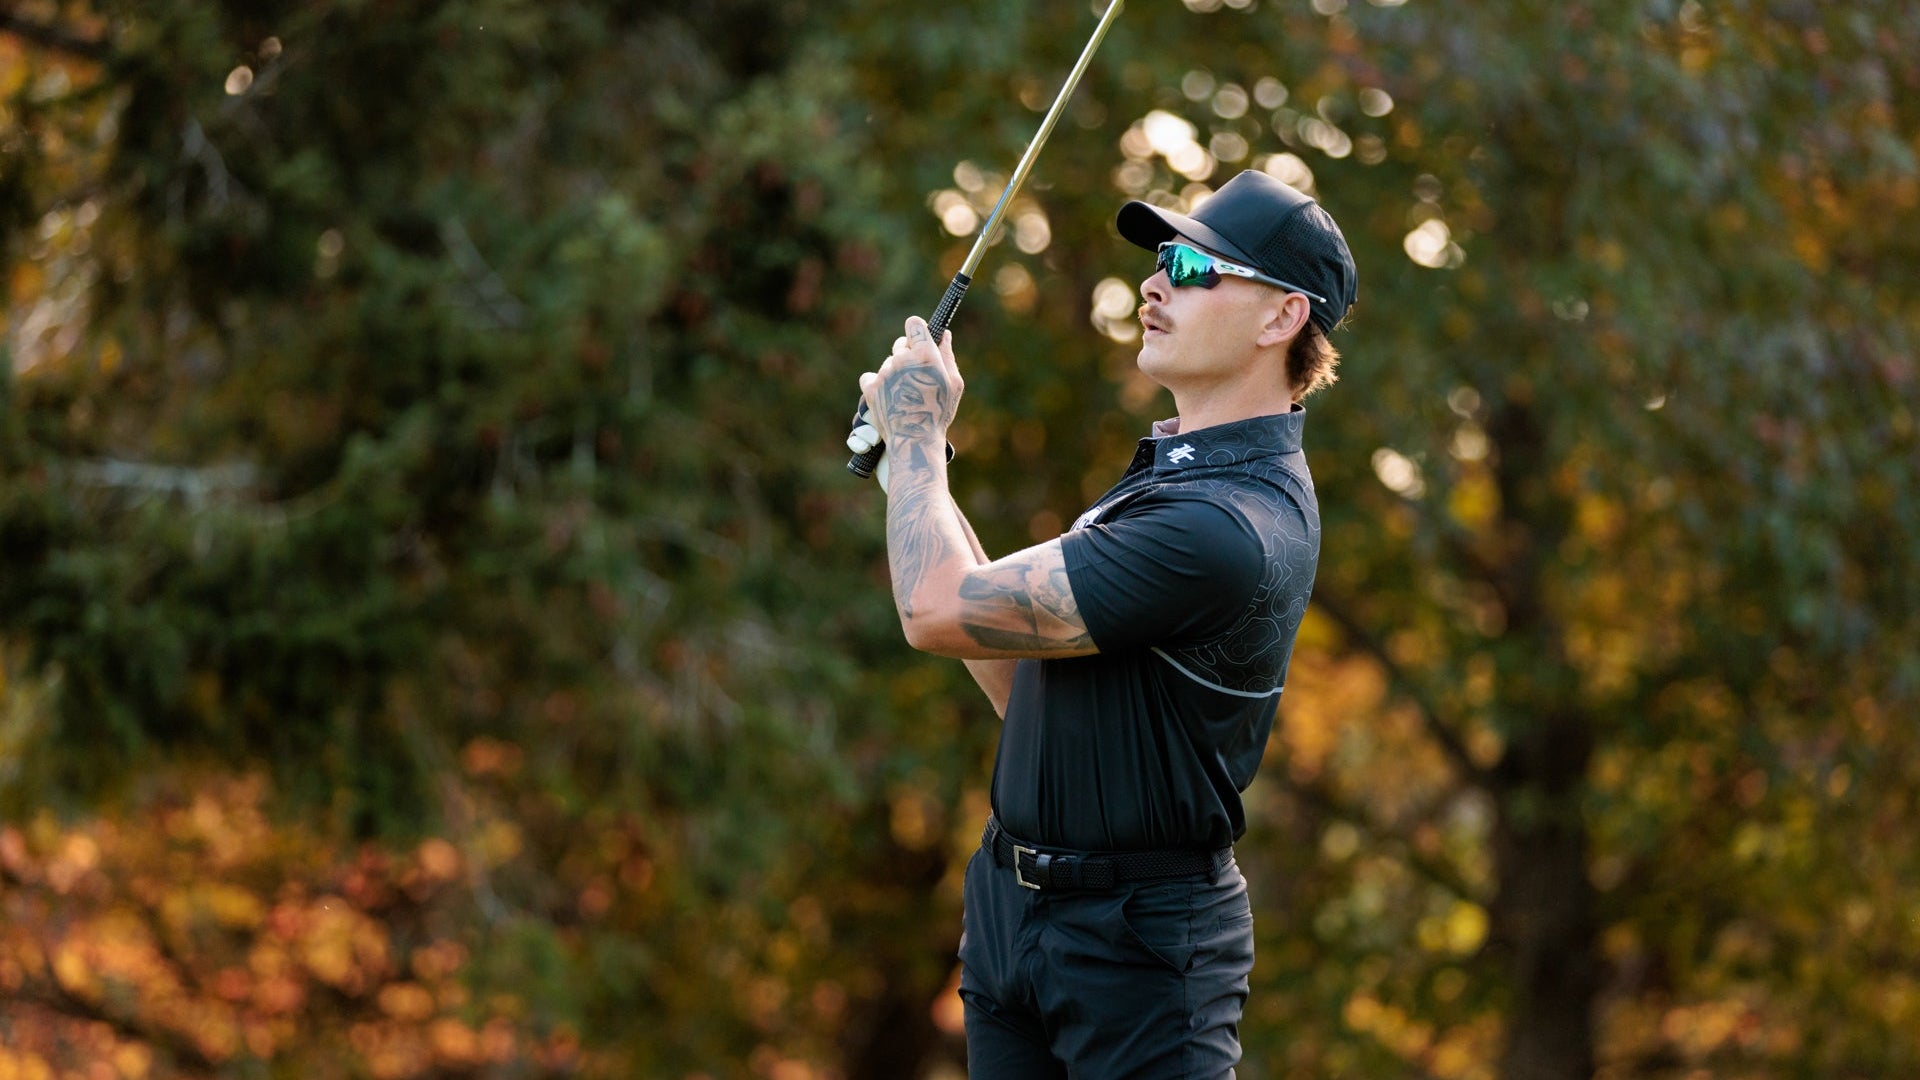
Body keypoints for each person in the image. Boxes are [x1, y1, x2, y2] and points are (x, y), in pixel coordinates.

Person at [852, 168, 1358, 1078]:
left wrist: (922, 433)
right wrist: (907, 473)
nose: (1156, 284)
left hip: (1141, 954)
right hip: (1016, 918)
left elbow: (933, 612)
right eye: (1163, 259)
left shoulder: (1223, 523)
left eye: (1198, 268)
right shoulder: (1174, 475)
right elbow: (1017, 669)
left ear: (1282, 317)